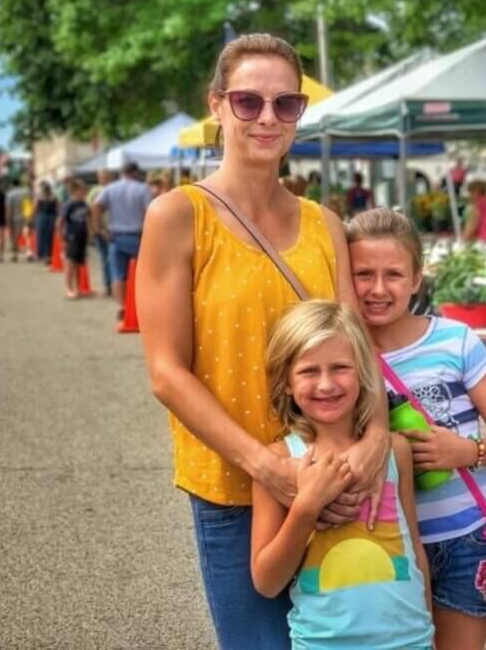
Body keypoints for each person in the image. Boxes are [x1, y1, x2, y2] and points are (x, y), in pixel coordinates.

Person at [136, 33, 390, 649]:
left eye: (286, 104)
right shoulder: (176, 216)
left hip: (332, 480)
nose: (268, 118)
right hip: (234, 484)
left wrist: (377, 439)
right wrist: (266, 468)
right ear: (217, 106)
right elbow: (167, 372)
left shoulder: (324, 224)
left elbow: (361, 353)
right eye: (249, 102)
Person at [345, 208, 486, 650]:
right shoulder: (342, 356)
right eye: (363, 274)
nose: (378, 288)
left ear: (416, 278)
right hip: (388, 542)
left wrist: (468, 452)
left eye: (394, 274)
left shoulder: (455, 340)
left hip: (467, 542)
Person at [251, 300, 434, 650]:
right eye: (308, 371)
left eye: (340, 368)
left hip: (412, 640)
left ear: (363, 372)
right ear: (286, 381)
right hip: (321, 643)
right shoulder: (277, 464)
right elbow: (266, 582)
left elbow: (414, 549)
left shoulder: (395, 452)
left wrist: (428, 630)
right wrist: (306, 508)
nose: (325, 384)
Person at [92, 160, 152, 321]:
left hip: (116, 236)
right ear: (135, 173)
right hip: (138, 236)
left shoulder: (110, 189)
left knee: (118, 274)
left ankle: (123, 306)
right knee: (144, 273)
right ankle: (140, 306)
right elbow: (149, 212)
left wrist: (99, 229)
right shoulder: (143, 189)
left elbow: (96, 206)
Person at [59, 178, 92, 299]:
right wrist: (62, 237)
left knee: (79, 264)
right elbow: (61, 221)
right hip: (72, 236)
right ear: (75, 191)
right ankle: (69, 288)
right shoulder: (69, 204)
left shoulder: (83, 203)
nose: (84, 192)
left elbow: (88, 218)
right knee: (70, 264)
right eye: (82, 190)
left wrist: (90, 233)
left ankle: (78, 288)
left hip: (82, 236)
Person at [87, 170, 115, 296]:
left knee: (113, 260)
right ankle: (108, 286)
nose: (102, 179)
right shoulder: (95, 192)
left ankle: (115, 287)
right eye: (101, 177)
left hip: (114, 230)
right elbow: (90, 210)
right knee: (105, 259)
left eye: (105, 177)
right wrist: (95, 229)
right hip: (102, 230)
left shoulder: (114, 190)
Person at [6, 177, 33, 262]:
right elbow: (29, 204)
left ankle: (15, 255)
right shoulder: (27, 192)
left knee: (15, 236)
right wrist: (30, 216)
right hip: (26, 216)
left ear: (12, 185)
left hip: (15, 217)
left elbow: (9, 208)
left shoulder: (10, 194)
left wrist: (8, 220)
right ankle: (29, 253)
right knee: (27, 235)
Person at [34, 180, 58, 264]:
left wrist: (32, 219)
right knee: (49, 237)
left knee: (41, 237)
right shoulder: (54, 197)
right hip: (51, 218)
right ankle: (48, 256)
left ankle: (43, 255)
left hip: (42, 218)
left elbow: (35, 209)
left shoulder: (39, 198)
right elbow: (58, 209)